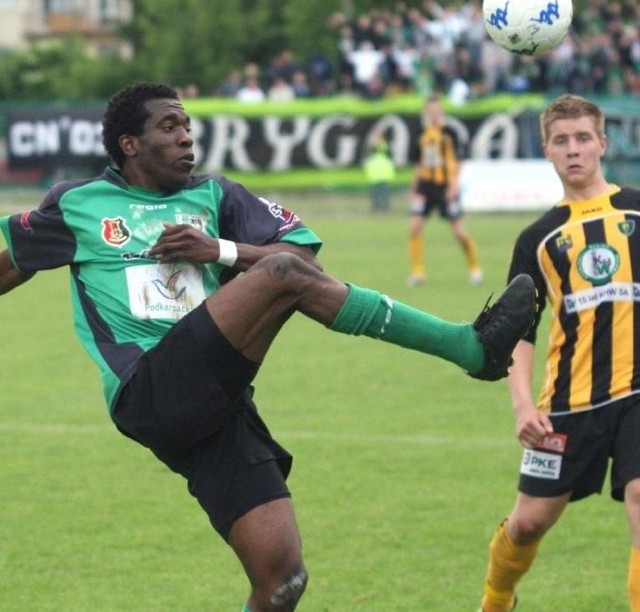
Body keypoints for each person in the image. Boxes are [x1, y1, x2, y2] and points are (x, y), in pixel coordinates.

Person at [0, 82, 536, 612]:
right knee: (278, 272)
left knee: (283, 581)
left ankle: (474, 350)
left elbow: (307, 268)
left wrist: (223, 250)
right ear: (129, 144)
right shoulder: (79, 204)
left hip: (216, 401)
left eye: (187, 125)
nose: (186, 137)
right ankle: (470, 348)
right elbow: (11, 264)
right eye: (169, 126)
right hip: (149, 389)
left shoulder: (216, 195)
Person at [478, 94, 640, 612]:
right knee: (527, 524)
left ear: (603, 144)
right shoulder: (537, 238)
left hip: (637, 392)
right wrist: (524, 406)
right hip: (569, 404)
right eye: (562, 140)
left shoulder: (637, 208)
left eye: (583, 138)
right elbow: (517, 332)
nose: (574, 150)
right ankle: (494, 602)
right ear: (547, 149)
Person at [407, 94, 483, 286]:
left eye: (436, 111)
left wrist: (454, 185)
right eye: (429, 111)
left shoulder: (450, 133)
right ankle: (418, 273)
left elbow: (459, 161)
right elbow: (418, 163)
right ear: (426, 112)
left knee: (458, 231)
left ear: (441, 111)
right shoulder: (421, 134)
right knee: (415, 227)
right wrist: (414, 188)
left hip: (445, 187)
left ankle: (475, 268)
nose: (433, 114)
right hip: (425, 186)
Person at [362, 128, 397, 212]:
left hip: (384, 173)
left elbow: (389, 155)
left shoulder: (385, 143)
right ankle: (376, 207)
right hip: (374, 173)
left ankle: (384, 207)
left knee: (384, 191)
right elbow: (368, 154)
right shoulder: (370, 144)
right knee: (375, 191)